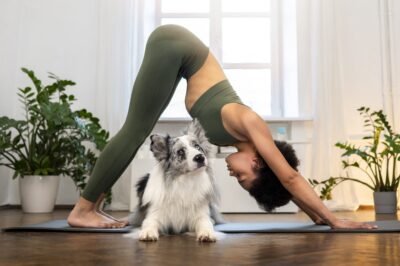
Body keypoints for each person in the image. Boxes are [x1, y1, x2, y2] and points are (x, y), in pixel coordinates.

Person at [67, 24, 377, 230]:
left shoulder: (241, 141)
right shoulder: (250, 123)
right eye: (243, 176)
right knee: (135, 130)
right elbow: (289, 176)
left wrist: (316, 217)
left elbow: (284, 182)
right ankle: (82, 210)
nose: (233, 174)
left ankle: (91, 206)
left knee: (137, 128)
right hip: (176, 46)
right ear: (258, 162)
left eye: (237, 179)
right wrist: (334, 219)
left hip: (178, 55)